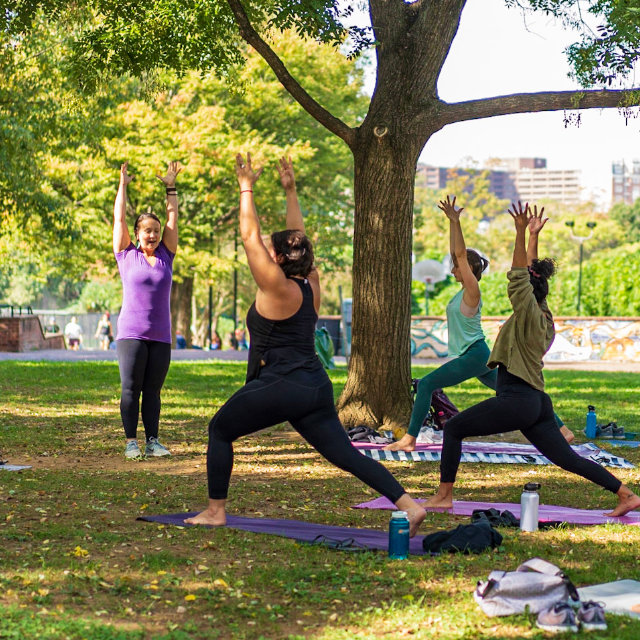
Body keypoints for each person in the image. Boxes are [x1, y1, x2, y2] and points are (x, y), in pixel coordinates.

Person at [185, 154, 427, 534]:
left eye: (272, 249)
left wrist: (245, 186)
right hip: (313, 385)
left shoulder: (277, 288)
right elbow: (298, 240)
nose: (265, 249)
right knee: (343, 454)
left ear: (278, 259)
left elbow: (249, 236)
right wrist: (290, 190)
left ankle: (216, 510)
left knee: (220, 429)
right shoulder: (309, 283)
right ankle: (410, 506)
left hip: (285, 384)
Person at [424, 202, 640, 518]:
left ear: (528, 289)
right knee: (567, 458)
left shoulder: (525, 310)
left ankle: (444, 496)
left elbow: (519, 274)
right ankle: (626, 494)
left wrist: (520, 230)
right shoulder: (544, 315)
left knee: (455, 427)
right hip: (538, 402)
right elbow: (529, 272)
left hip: (517, 400)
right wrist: (533, 237)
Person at [385, 196, 573, 452]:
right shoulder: (461, 290)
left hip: (473, 354)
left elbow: (461, 255)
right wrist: (452, 222)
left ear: (468, 269)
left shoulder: (472, 290)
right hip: (479, 355)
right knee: (520, 390)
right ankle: (562, 430)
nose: (453, 270)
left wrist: (457, 222)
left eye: (457, 267)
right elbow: (458, 253)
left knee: (427, 384)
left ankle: (409, 439)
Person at [113, 160, 181, 459]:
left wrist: (171, 188)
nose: (152, 235)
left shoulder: (167, 255)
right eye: (146, 231)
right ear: (137, 234)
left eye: (156, 231)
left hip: (161, 336)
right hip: (131, 334)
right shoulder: (126, 255)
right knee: (131, 389)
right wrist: (123, 186)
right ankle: (131, 442)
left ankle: (153, 441)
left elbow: (173, 218)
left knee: (153, 392)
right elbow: (118, 221)